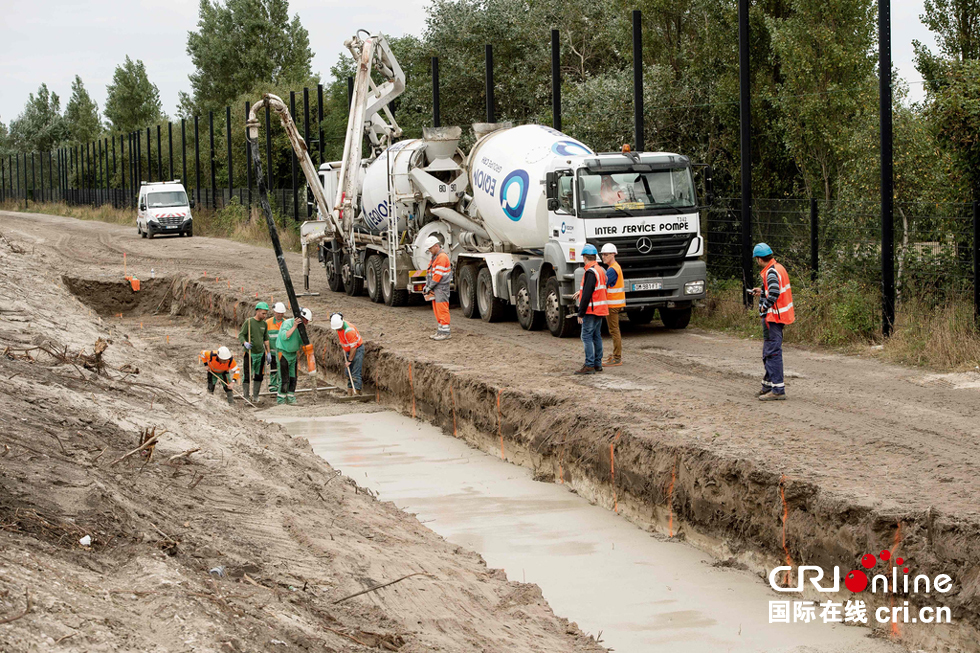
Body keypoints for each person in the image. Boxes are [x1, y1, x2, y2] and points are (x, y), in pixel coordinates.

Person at [750, 243, 795, 401]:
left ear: (759, 259)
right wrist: (762, 291)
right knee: (770, 351)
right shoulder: (778, 267)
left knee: (772, 352)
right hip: (779, 317)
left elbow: (774, 293)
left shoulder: (770, 272)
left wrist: (763, 307)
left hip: (773, 318)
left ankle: (777, 389)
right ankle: (768, 386)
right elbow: (774, 289)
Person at [574, 244, 609, 375]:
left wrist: (580, 313)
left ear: (584, 257)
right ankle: (597, 364)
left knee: (586, 336)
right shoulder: (600, 270)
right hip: (600, 309)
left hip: (591, 310)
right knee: (596, 336)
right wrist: (581, 292)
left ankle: (589, 365)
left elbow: (588, 293)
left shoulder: (590, 272)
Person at [275, 308, 313, 405]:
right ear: (301, 318)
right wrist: (294, 326)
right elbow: (285, 336)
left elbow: (301, 342)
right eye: (306, 320)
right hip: (283, 353)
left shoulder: (301, 328)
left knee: (293, 377)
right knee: (284, 378)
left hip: (293, 354)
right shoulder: (287, 323)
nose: (307, 322)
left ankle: (291, 397)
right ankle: (281, 400)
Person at [238, 302, 270, 404]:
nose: (265, 316)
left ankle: (256, 396)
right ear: (257, 311)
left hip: (260, 354)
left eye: (266, 314)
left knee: (259, 375)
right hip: (250, 353)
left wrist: (268, 352)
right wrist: (245, 343)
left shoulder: (264, 324)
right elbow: (241, 335)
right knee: (247, 375)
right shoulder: (249, 322)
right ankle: (246, 396)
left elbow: (266, 339)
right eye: (263, 313)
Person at [422, 235, 452, 341]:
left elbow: (437, 276)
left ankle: (445, 332)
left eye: (430, 248)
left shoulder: (441, 257)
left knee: (442, 309)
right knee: (437, 310)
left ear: (435, 246)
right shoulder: (436, 257)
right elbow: (431, 273)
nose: (429, 251)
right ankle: (440, 331)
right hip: (437, 288)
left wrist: (429, 286)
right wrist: (428, 286)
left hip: (441, 288)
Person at [601, 243, 625, 366]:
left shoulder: (612, 270)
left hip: (612, 305)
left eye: (606, 254)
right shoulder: (615, 267)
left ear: (613, 254)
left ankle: (617, 357)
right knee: (614, 330)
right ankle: (615, 356)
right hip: (615, 303)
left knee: (614, 331)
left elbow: (602, 284)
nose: (603, 257)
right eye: (603, 255)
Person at [331, 313, 364, 395]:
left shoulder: (349, 331)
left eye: (338, 328)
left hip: (357, 350)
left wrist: (349, 360)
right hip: (349, 350)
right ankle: (350, 392)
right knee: (348, 373)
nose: (337, 330)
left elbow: (354, 347)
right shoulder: (338, 326)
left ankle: (356, 393)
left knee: (355, 373)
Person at [266, 302, 286, 395]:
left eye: (282, 313)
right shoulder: (268, 323)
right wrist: (267, 352)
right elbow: (265, 338)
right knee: (273, 368)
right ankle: (273, 386)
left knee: (283, 369)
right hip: (273, 352)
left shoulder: (286, 323)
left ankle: (281, 384)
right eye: (278, 313)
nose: (280, 315)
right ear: (274, 312)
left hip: (283, 352)